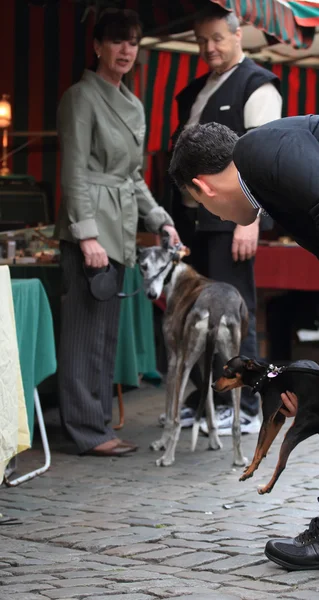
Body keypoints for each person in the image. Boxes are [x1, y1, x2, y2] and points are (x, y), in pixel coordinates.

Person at [169, 114, 319, 573]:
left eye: (201, 207)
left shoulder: (260, 149)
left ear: (203, 188)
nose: (212, 217)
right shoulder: (269, 175)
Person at [55, 9, 180, 457]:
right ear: (98, 46)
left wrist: (159, 218)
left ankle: (97, 424)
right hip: (91, 230)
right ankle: (85, 430)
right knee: (83, 336)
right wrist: (86, 234)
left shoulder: (132, 102)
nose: (126, 50)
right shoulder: (80, 97)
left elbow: (132, 177)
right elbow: (74, 173)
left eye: (133, 42)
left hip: (120, 229)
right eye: (117, 41)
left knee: (104, 337)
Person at [167, 5, 282, 436]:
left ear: (239, 35)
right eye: (201, 40)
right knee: (197, 316)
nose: (208, 47)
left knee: (235, 313)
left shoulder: (259, 85)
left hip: (233, 218)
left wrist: (251, 220)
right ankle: (210, 401)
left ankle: (250, 404)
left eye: (216, 38)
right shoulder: (197, 88)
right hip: (193, 220)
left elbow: (264, 158)